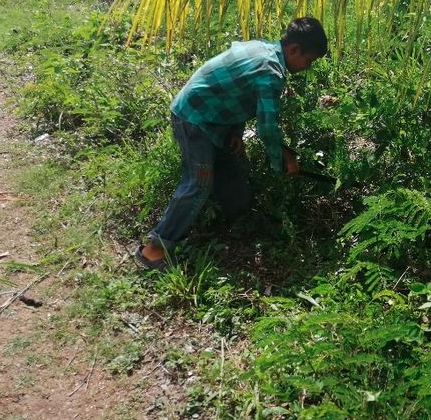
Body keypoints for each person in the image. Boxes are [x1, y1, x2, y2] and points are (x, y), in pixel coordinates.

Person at [134, 17, 329, 270]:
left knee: (234, 168)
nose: (307, 67)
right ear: (294, 50)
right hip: (195, 118)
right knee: (199, 183)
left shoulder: (264, 48)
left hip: (217, 120)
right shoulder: (270, 72)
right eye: (308, 60)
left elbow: (235, 90)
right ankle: (153, 250)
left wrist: (235, 131)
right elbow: (267, 128)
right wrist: (282, 159)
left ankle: (240, 223)